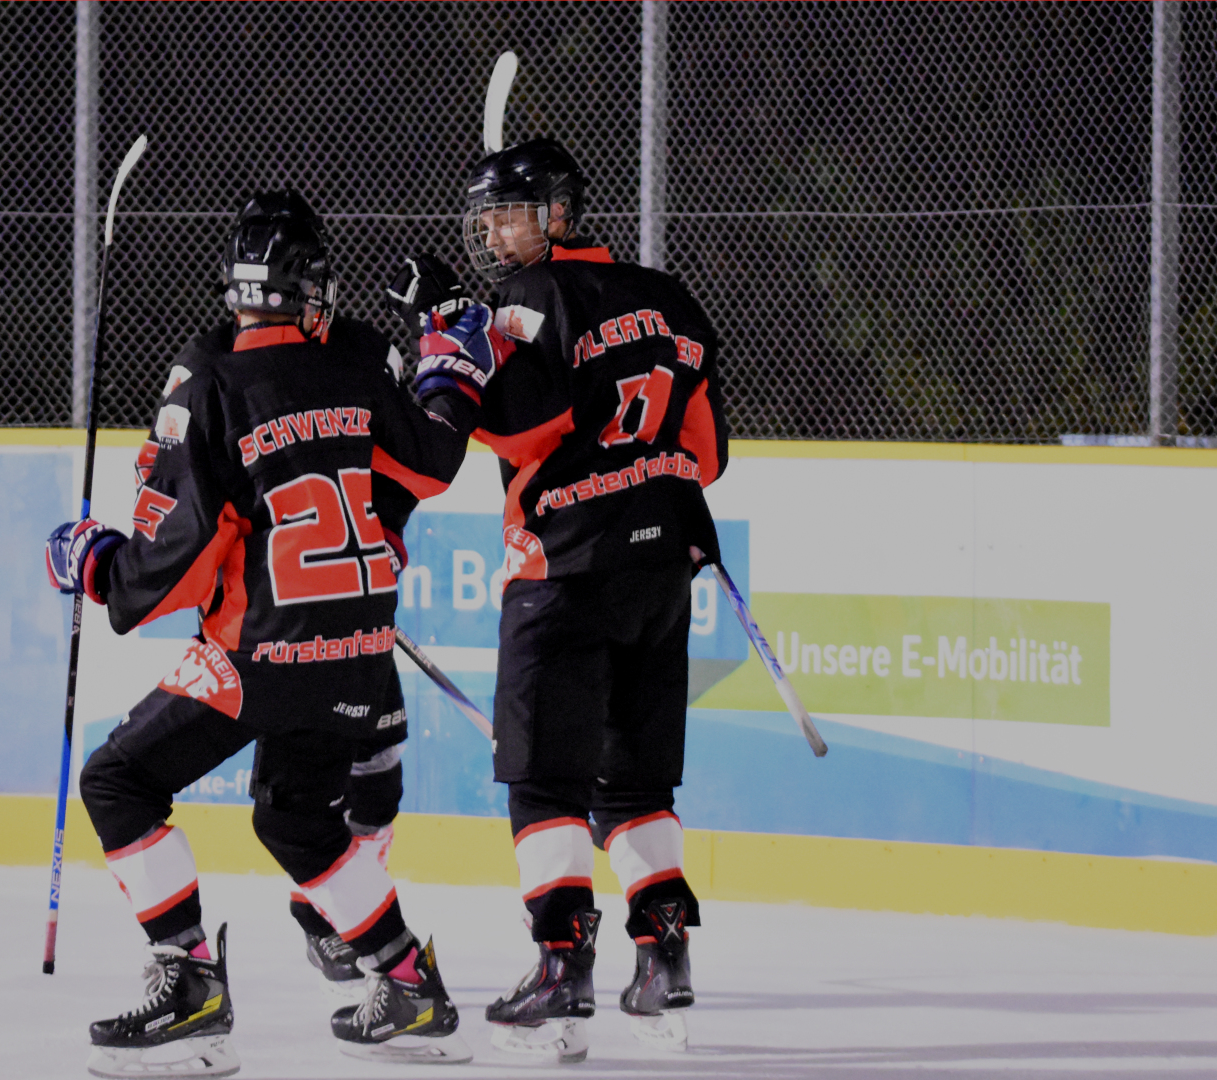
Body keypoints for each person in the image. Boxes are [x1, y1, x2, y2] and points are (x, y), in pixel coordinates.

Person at [46, 191, 480, 1078]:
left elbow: (185, 555)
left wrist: (96, 567)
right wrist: (443, 358)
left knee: (118, 781)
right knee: (295, 821)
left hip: (264, 651)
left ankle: (190, 984)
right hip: (356, 647)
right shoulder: (358, 359)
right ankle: (406, 981)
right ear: (309, 289)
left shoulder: (212, 387)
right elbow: (431, 462)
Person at [387, 136, 728, 1059]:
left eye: (511, 213)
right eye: (488, 216)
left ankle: (561, 964)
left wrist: (454, 339)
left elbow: (526, 424)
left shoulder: (532, 302)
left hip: (564, 573)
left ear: (561, 215)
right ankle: (665, 952)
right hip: (660, 573)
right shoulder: (669, 297)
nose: (495, 230)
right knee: (635, 778)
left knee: (545, 779)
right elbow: (708, 453)